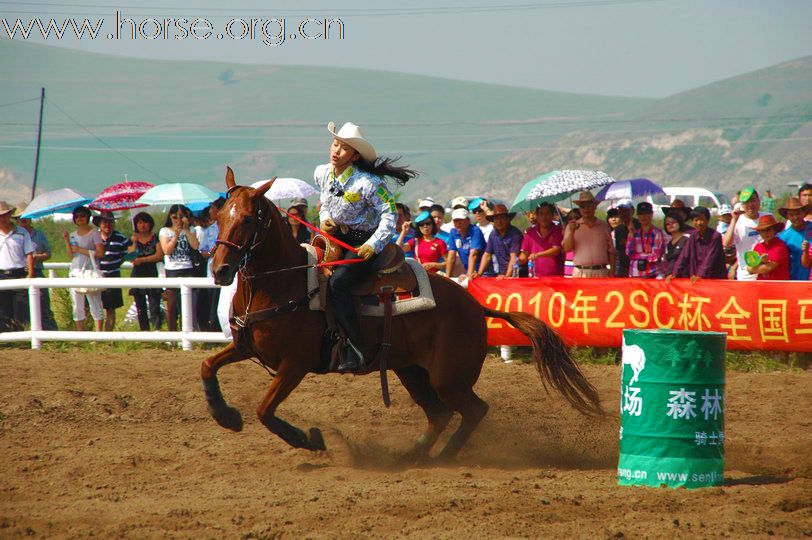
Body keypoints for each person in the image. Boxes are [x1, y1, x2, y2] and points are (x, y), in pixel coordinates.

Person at [316, 121, 417, 372]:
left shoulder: (369, 183)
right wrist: (324, 219)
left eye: (344, 148)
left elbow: (390, 215)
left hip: (366, 242)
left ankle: (356, 348)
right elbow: (324, 202)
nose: (336, 151)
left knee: (339, 283)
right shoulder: (322, 172)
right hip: (336, 237)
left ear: (355, 155)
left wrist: (373, 244)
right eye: (335, 144)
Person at [13, 207, 57, 329]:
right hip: (21, 272)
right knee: (21, 306)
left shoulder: (39, 234)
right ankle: (23, 330)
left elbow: (48, 253)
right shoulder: (15, 235)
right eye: (20, 218)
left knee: (43, 303)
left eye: (26, 217)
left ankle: (50, 331)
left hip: (36, 270)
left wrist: (36, 257)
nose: (23, 220)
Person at [159, 204, 200, 332]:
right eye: (174, 217)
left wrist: (186, 229)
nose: (177, 220)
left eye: (181, 217)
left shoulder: (191, 230)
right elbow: (166, 250)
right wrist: (176, 235)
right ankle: (172, 335)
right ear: (170, 217)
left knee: (188, 306)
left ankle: (188, 333)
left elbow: (195, 246)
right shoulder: (165, 231)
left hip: (188, 269)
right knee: (171, 305)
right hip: (172, 270)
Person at [63, 206, 104, 331]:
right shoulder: (73, 235)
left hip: (90, 270)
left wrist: (81, 250)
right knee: (77, 305)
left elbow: (100, 253)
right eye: (77, 216)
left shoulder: (95, 233)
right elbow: (71, 255)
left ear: (88, 217)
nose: (80, 218)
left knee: (95, 303)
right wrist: (66, 240)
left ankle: (98, 334)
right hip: (76, 270)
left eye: (82, 216)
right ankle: (80, 333)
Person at [562, 191, 615, 278]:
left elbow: (611, 252)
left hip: (601, 272)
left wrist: (612, 271)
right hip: (580, 273)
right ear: (579, 209)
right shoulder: (571, 226)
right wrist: (571, 232)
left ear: (595, 207)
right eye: (583, 206)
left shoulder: (604, 226)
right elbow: (567, 248)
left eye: (589, 205)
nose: (586, 209)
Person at [667, 206, 726, 282]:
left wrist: (700, 275)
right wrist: (674, 274)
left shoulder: (715, 236)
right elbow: (684, 256)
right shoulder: (692, 236)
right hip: (695, 279)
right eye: (696, 220)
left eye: (702, 220)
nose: (699, 223)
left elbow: (709, 259)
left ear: (707, 221)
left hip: (714, 279)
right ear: (692, 222)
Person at [724, 186, 770, 281]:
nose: (750, 204)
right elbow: (726, 243)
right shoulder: (737, 221)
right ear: (742, 205)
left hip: (767, 270)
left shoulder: (767, 217)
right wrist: (733, 220)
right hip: (747, 274)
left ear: (758, 200)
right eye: (746, 202)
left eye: (753, 200)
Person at [95, 211, 132, 331]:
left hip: (113, 276)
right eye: (105, 222)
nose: (108, 224)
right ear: (100, 224)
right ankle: (96, 335)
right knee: (95, 307)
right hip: (95, 277)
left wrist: (116, 264)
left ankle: (108, 335)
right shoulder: (94, 237)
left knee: (110, 309)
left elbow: (128, 254)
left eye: (110, 221)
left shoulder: (120, 238)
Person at [0, 201, 34, 329]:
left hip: (18, 273)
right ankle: (7, 339)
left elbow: (29, 253)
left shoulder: (21, 232)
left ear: (9, 215)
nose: (2, 218)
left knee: (21, 309)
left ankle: (21, 337)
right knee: (3, 310)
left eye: (4, 215)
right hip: (1, 274)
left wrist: (30, 274)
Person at [128, 212, 164, 331]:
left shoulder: (155, 237)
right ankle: (144, 331)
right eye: (139, 223)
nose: (142, 225)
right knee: (140, 306)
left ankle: (157, 329)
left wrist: (143, 260)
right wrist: (134, 242)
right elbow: (131, 257)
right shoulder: (133, 239)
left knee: (154, 304)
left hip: (152, 272)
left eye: (145, 222)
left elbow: (159, 255)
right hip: (138, 273)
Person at [476, 204, 523, 279]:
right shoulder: (493, 234)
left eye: (502, 218)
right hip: (501, 274)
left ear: (508, 219)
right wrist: (479, 274)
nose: (499, 221)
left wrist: (507, 276)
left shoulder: (515, 234)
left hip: (517, 274)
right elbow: (487, 255)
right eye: (496, 219)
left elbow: (514, 257)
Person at [518, 202, 564, 277]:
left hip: (556, 277)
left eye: (547, 213)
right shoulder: (530, 233)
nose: (544, 217)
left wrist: (537, 255)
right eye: (541, 214)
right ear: (537, 216)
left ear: (552, 215)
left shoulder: (558, 231)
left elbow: (556, 250)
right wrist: (522, 257)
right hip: (535, 277)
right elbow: (525, 252)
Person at [626, 202, 666, 279]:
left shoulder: (657, 233)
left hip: (652, 274)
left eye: (646, 213)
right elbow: (629, 253)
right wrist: (631, 235)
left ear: (651, 214)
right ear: (637, 216)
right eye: (641, 214)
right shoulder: (634, 233)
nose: (643, 217)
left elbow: (655, 256)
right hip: (635, 273)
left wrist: (637, 255)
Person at [444, 208, 486, 279]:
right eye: (456, 221)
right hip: (469, 270)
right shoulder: (453, 232)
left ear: (468, 220)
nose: (458, 223)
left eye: (461, 220)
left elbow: (474, 254)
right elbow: (451, 256)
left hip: (484, 271)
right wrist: (448, 278)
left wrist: (468, 275)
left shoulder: (475, 231)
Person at [777, 197, 812, 281]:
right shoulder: (784, 237)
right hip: (795, 277)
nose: (796, 217)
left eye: (798, 213)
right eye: (791, 215)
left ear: (803, 213)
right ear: (787, 216)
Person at [747, 215, 790, 280]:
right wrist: (755, 266)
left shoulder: (780, 246)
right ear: (759, 232)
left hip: (779, 286)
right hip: (762, 286)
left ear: (775, 230)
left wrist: (754, 268)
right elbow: (749, 268)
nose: (765, 233)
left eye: (768, 229)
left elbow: (768, 268)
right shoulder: (758, 247)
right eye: (762, 230)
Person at [657, 212, 690, 279]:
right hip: (669, 278)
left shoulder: (687, 239)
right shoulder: (669, 244)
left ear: (679, 222)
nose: (670, 225)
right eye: (667, 224)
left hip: (684, 278)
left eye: (673, 222)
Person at [612, 199, 636, 277]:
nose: (623, 213)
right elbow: (619, 250)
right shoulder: (618, 229)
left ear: (632, 211)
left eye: (625, 210)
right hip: (623, 267)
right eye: (621, 210)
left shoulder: (639, 226)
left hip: (636, 267)